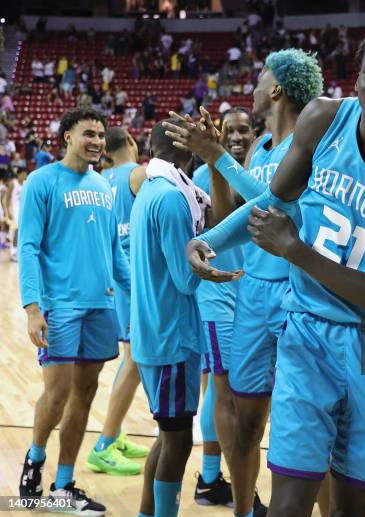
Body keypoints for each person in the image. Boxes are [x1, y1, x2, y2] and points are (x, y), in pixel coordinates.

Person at [180, 25, 365, 516]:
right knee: (289, 503)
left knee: (350, 508)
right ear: (356, 79)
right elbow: (274, 201)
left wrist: (297, 252)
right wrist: (210, 238)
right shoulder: (323, 119)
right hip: (307, 333)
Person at [164, 48, 324, 517]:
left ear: (276, 89)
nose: (252, 87)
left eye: (260, 80)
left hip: (300, 291)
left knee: (306, 422)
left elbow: (284, 205)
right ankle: (243, 509)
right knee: (246, 417)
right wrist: (207, 240)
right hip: (253, 291)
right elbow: (247, 210)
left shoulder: (311, 144)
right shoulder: (259, 150)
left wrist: (216, 155)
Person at [18, 108, 130, 515]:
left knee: (85, 393)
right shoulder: (42, 181)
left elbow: (115, 250)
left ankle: (64, 485)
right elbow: (28, 246)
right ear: (67, 136)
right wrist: (33, 308)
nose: (97, 141)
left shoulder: (104, 186)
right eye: (89, 134)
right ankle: (35, 457)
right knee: (58, 393)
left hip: (102, 305)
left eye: (101, 135)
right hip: (60, 306)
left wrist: (137, 292)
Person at [130, 121, 212, 517]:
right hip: (173, 337)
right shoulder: (174, 199)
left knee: (166, 438)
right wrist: (207, 254)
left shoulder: (149, 189)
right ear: (186, 149)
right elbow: (184, 280)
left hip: (151, 333)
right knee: (177, 444)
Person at [192, 107, 255, 507]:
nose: (236, 135)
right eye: (228, 130)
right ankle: (221, 482)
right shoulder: (204, 176)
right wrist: (216, 158)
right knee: (224, 391)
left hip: (247, 296)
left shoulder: (258, 174)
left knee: (225, 391)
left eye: (243, 129)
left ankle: (211, 478)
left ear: (254, 133)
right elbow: (227, 215)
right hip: (217, 297)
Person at [86, 127, 149, 476]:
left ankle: (116, 433)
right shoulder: (139, 174)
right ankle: (104, 444)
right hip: (133, 276)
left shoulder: (101, 179)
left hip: (112, 276)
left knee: (131, 358)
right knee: (135, 361)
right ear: (131, 143)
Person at [6, 167, 27, 261]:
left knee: (21, 231)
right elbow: (7, 199)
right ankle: (13, 252)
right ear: (19, 174)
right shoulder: (13, 183)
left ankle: (17, 251)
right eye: (23, 174)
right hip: (14, 209)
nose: (25, 176)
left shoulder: (24, 184)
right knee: (16, 230)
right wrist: (8, 211)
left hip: (22, 209)